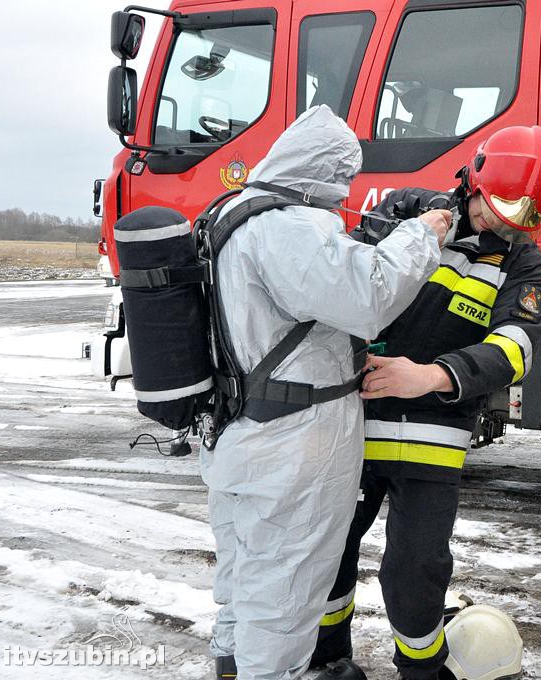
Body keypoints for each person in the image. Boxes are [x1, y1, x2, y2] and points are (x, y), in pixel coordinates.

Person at [201, 105, 451, 680]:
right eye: (342, 176)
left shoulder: (233, 212)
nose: (343, 193)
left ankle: (233, 665)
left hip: (242, 426)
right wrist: (421, 234)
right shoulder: (286, 227)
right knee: (286, 584)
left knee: (247, 571)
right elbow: (369, 295)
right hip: (290, 441)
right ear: (324, 169)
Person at [311, 125, 541, 680]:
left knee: (417, 570)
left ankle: (421, 671)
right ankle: (328, 660)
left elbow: (514, 349)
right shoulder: (407, 211)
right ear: (473, 179)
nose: (502, 224)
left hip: (433, 440)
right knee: (329, 552)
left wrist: (427, 376)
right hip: (353, 423)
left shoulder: (522, 264)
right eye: (497, 207)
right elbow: (343, 281)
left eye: (520, 217)